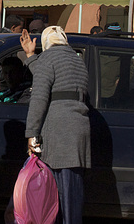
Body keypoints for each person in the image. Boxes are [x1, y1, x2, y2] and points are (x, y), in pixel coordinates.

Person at [21, 26, 90, 224]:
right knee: (72, 197)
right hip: (78, 133)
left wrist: (32, 133)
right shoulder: (77, 60)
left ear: (46, 43)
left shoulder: (48, 59)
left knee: (57, 198)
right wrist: (31, 56)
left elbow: (39, 98)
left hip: (60, 133)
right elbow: (53, 79)